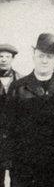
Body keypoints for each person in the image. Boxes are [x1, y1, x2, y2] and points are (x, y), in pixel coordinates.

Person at [5, 33, 54, 186]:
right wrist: (10, 159)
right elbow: (8, 125)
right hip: (26, 162)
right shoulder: (18, 86)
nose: (44, 60)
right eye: (41, 56)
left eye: (49, 57)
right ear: (34, 56)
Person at [0, 44, 18, 186]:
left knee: (18, 175)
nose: (3, 60)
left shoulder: (22, 81)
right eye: (0, 56)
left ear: (12, 59)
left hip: (15, 136)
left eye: (7, 56)